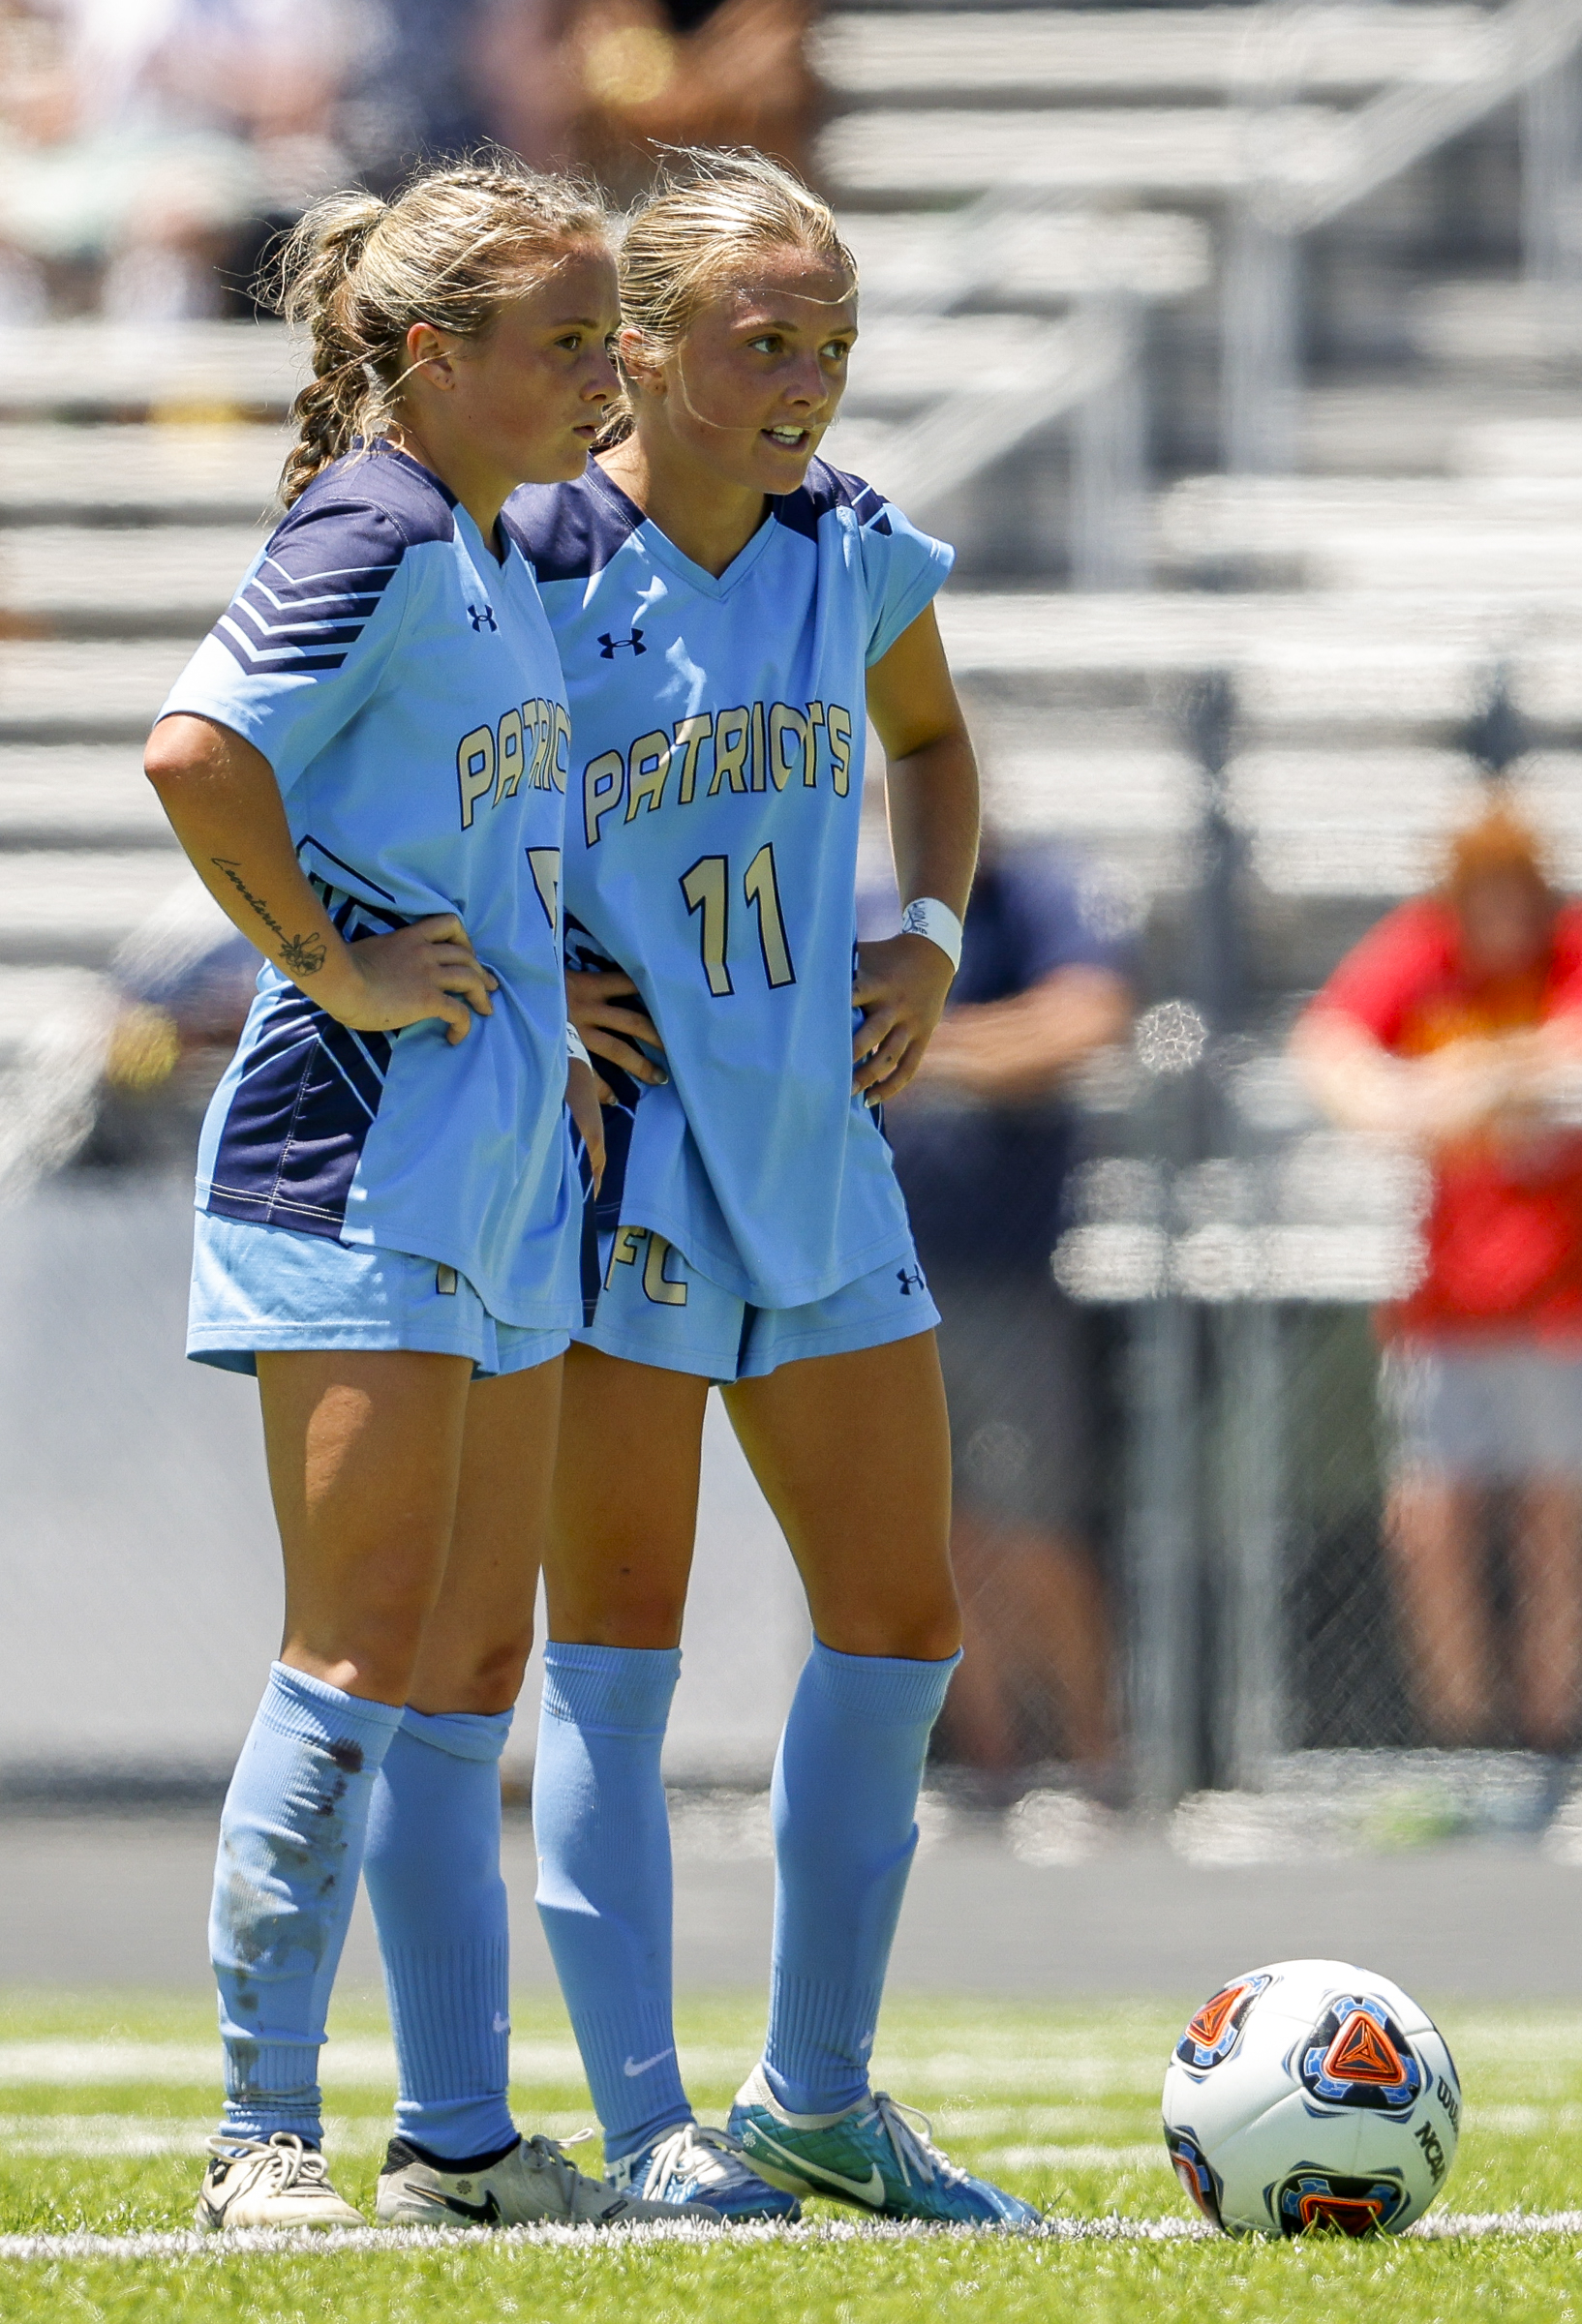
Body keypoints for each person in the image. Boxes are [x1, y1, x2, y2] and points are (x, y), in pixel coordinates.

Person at [142, 158, 689, 2236]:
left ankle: (456, 2137)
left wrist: (572, 1014)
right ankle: (258, 2135)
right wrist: (336, 964)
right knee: (358, 1653)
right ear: (435, 355)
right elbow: (201, 753)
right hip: (350, 1156)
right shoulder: (370, 522)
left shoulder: (483, 538)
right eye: (565, 339)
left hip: (501, 1171)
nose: (601, 372)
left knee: (469, 1670)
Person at [512, 147, 1034, 2228]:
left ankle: (819, 2091)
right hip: (624, 1160)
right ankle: (650, 2128)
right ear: (640, 348)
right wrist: (528, 970)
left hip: (816, 1148)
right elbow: (391, 785)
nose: (809, 376)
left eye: (832, 341)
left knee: (901, 1621)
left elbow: (936, 741)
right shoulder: (535, 560)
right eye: (765, 340)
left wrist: (935, 935)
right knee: (614, 1645)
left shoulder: (854, 548)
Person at [1290, 804, 1582, 1760]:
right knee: (1430, 1522)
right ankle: (1465, 1739)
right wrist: (1413, 1101)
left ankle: (1550, 1738)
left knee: (1553, 1520)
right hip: (1445, 1308)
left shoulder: (1581, 944)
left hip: (1560, 1306)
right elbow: (1328, 1049)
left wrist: (1469, 1077)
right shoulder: (1426, 948)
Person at [867, 829, 1131, 1785]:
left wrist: (923, 1042)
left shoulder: (1035, 891)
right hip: (886, 1276)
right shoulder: (858, 895)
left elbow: (1086, 1016)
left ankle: (1094, 1756)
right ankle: (993, 1764)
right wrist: (962, 1044)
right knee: (938, 1534)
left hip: (1005, 1276)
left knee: (1034, 1526)